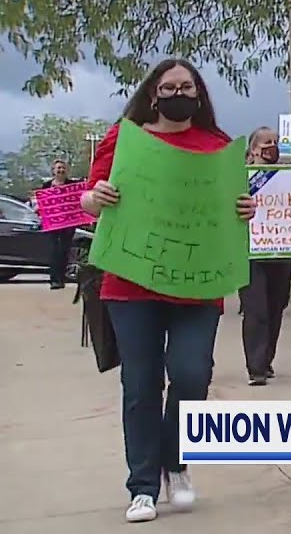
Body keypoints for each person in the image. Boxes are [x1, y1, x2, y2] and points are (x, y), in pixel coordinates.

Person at [80, 58, 256, 523]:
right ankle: (141, 485)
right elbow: (89, 196)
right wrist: (94, 199)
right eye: (169, 86)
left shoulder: (219, 147)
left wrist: (244, 207)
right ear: (153, 95)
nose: (179, 92)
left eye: (188, 85)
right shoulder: (126, 138)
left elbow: (231, 210)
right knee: (140, 384)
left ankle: (176, 464)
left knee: (192, 374)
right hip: (131, 283)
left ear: (199, 94)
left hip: (198, 287)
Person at [241, 126, 291, 385]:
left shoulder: (288, 176)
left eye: (275, 141)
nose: (272, 146)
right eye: (266, 142)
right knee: (256, 309)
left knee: (275, 308)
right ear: (254, 149)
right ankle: (255, 367)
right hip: (251, 254)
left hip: (281, 252)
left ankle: (266, 359)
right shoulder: (241, 179)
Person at [34, 158, 83, 290]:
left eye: (63, 168)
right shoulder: (46, 186)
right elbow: (42, 204)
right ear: (53, 171)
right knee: (54, 250)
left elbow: (79, 201)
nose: (61, 170)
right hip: (52, 224)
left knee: (64, 250)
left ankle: (62, 278)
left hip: (68, 223)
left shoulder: (72, 185)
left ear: (66, 171)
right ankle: (54, 279)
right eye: (58, 168)